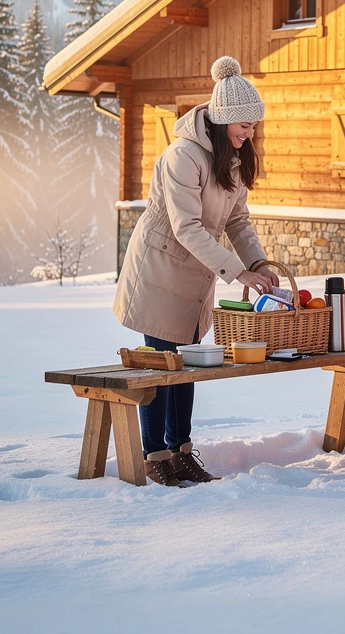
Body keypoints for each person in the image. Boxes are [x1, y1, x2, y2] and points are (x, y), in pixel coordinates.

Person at [113, 56, 279, 485]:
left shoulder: (232, 159)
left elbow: (237, 220)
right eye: (244, 125)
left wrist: (257, 262)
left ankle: (182, 451)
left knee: (186, 364)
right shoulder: (182, 156)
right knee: (159, 366)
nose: (250, 133)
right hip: (160, 271)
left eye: (253, 125)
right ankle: (156, 457)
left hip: (197, 271)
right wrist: (237, 273)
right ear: (224, 120)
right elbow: (186, 226)